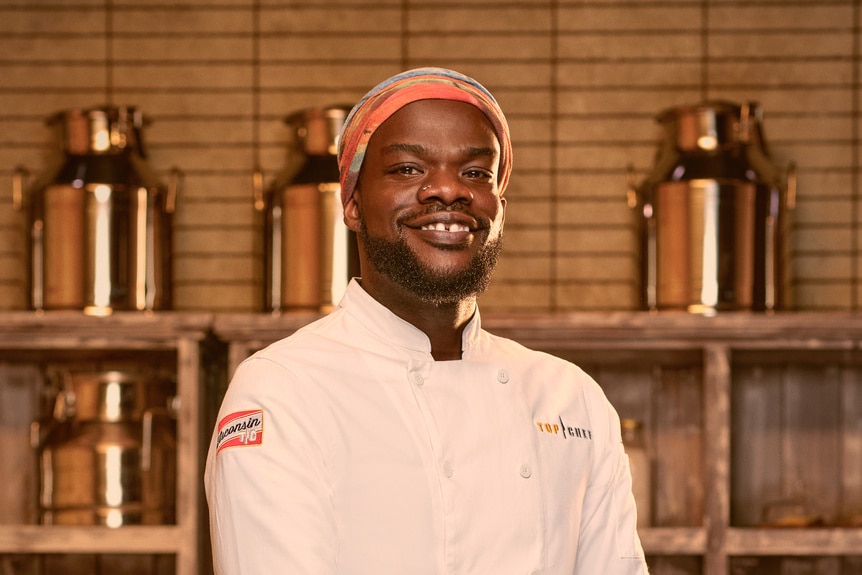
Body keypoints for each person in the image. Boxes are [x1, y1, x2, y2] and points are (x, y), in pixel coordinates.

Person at [205, 67, 649, 575]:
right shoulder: (282, 391)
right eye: (409, 169)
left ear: (499, 206)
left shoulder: (572, 399)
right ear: (352, 204)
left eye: (476, 172)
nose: (446, 190)